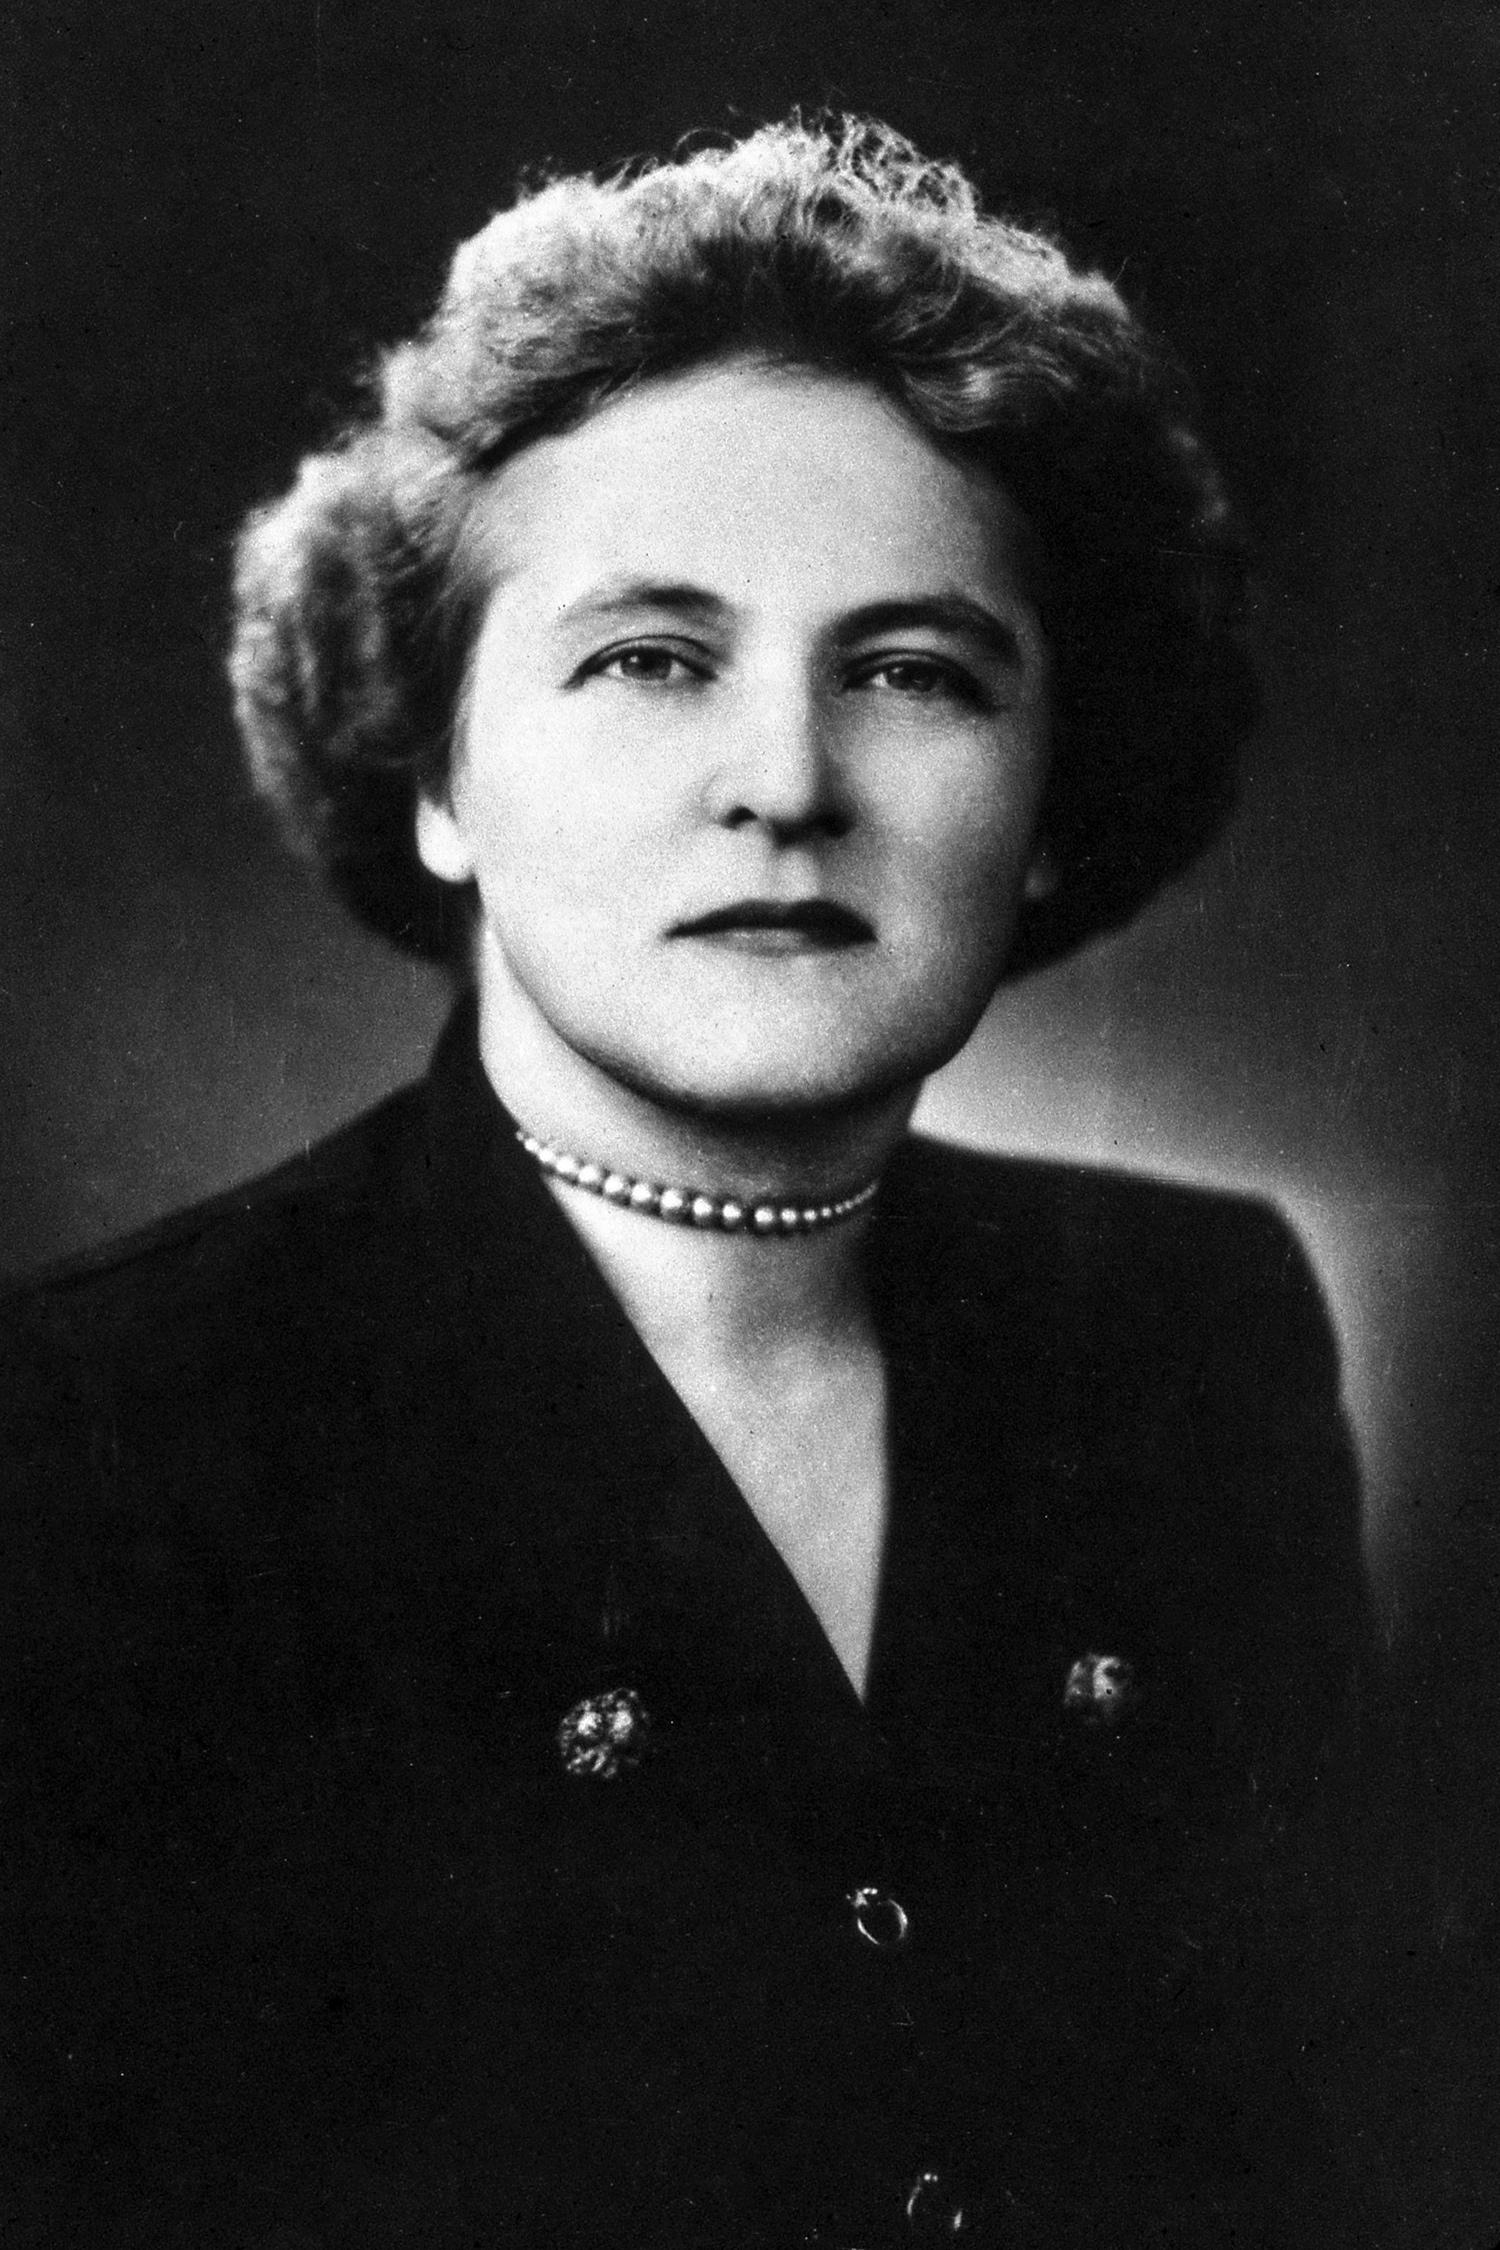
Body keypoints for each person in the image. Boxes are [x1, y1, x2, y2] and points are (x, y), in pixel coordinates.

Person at [1, 117, 1378, 2247]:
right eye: (650, 657)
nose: (786, 782)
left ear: (1046, 805)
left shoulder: (1199, 1337)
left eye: (914, 672)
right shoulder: (92, 1443)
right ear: (436, 770)